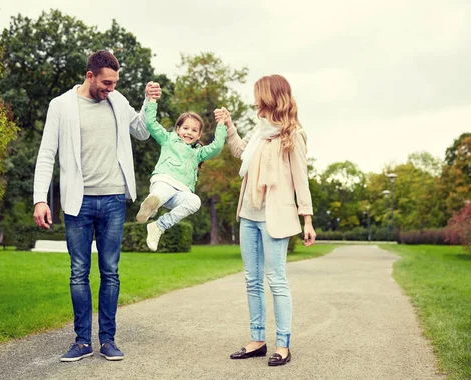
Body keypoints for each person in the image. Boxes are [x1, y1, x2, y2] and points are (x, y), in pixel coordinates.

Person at [33, 50, 161, 362]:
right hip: (79, 201)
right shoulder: (62, 105)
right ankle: (81, 341)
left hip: (115, 198)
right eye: (106, 82)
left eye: (115, 83)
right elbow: (47, 152)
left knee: (111, 272)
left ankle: (107, 340)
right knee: (79, 272)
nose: (111, 88)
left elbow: (142, 131)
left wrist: (150, 102)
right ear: (90, 76)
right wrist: (40, 198)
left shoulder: (117, 100)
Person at [214, 74, 316, 367]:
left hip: (276, 217)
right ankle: (257, 340)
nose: (255, 101)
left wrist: (307, 219)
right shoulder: (259, 132)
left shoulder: (292, 134)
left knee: (276, 280)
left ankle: (283, 344)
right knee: (252, 281)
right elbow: (239, 151)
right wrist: (230, 126)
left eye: (259, 95)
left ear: (271, 98)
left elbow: (301, 179)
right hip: (248, 214)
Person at [135, 94, 227, 251]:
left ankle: (158, 225)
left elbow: (217, 146)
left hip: (180, 192)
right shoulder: (167, 139)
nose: (189, 133)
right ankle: (152, 204)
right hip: (164, 180)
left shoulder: (199, 153)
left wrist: (221, 124)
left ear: (199, 135)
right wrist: (152, 101)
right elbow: (150, 123)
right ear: (178, 129)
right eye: (185, 128)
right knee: (161, 192)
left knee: (195, 201)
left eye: (194, 130)